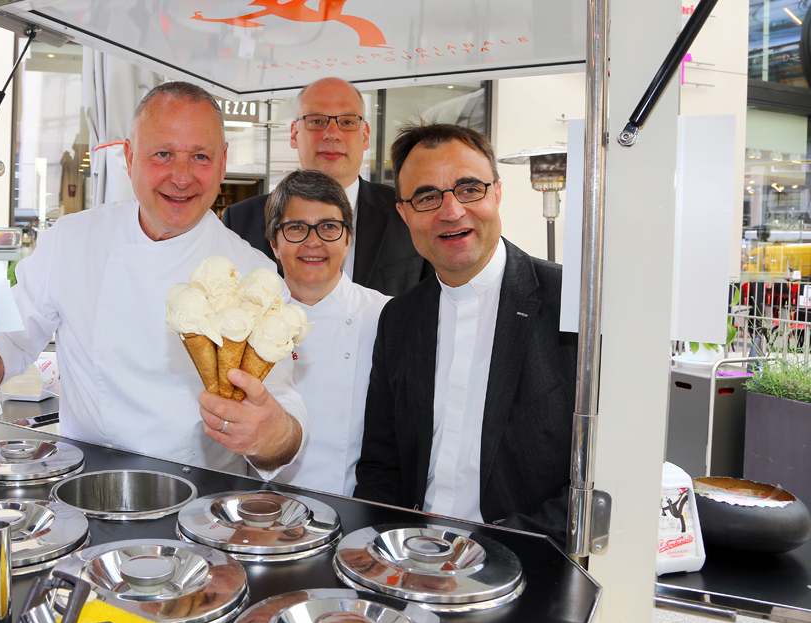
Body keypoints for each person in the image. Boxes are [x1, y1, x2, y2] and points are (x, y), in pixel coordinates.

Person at [0, 81, 307, 478]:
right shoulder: (72, 239)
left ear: (222, 164)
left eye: (200, 156)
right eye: (163, 154)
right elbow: (11, 336)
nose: (182, 177)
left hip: (199, 490)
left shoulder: (253, 274)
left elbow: (281, 407)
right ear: (129, 158)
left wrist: (273, 434)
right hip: (87, 480)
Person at [353, 122, 577, 543]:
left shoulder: (571, 303)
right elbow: (381, 466)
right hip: (411, 559)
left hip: (527, 561)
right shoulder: (398, 318)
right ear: (404, 214)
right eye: (427, 197)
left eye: (469, 188)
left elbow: (603, 475)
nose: (452, 211)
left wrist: (494, 554)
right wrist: (380, 549)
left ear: (497, 193)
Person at [222, 77, 430, 297]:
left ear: (365, 135)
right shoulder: (240, 222)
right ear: (294, 133)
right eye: (316, 121)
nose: (332, 134)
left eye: (347, 122)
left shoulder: (410, 212)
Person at [264, 170, 389, 496]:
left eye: (329, 227)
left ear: (348, 240)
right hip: (264, 504)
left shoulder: (385, 316)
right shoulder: (250, 319)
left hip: (353, 505)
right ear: (274, 243)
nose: (313, 242)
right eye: (296, 227)